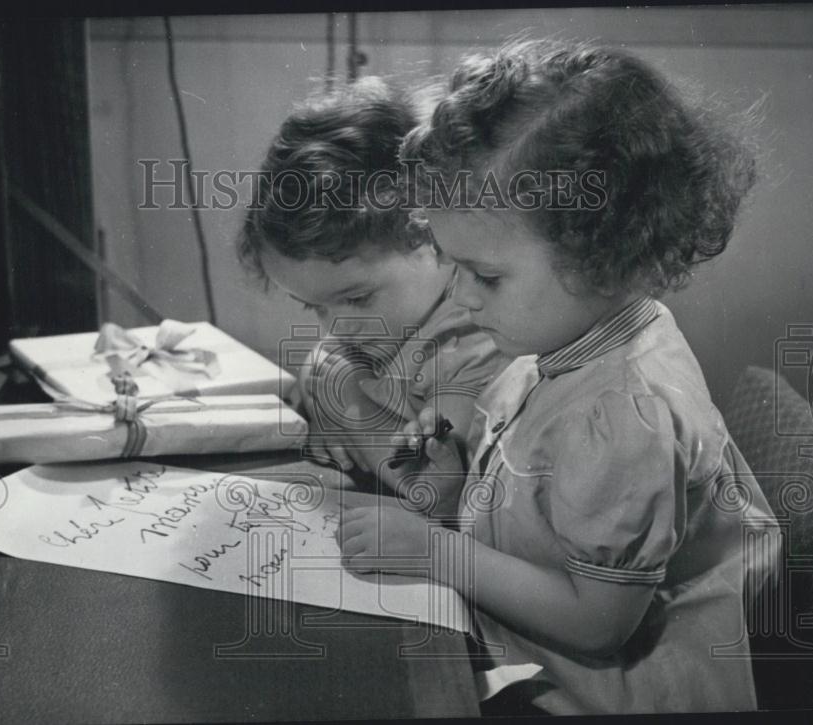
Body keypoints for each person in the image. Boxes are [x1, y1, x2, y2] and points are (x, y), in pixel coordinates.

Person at [337, 37, 777, 714]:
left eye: (485, 275)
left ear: (606, 253)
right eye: (454, 266)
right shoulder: (571, 335)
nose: (460, 296)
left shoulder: (625, 411)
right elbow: (547, 507)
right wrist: (460, 487)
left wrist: (435, 551)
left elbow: (597, 622)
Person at [238, 76, 506, 505]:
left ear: (431, 233)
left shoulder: (479, 339)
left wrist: (344, 402)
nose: (338, 327)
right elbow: (320, 364)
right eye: (314, 307)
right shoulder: (392, 322)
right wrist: (329, 406)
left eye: (357, 299)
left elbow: (431, 483)